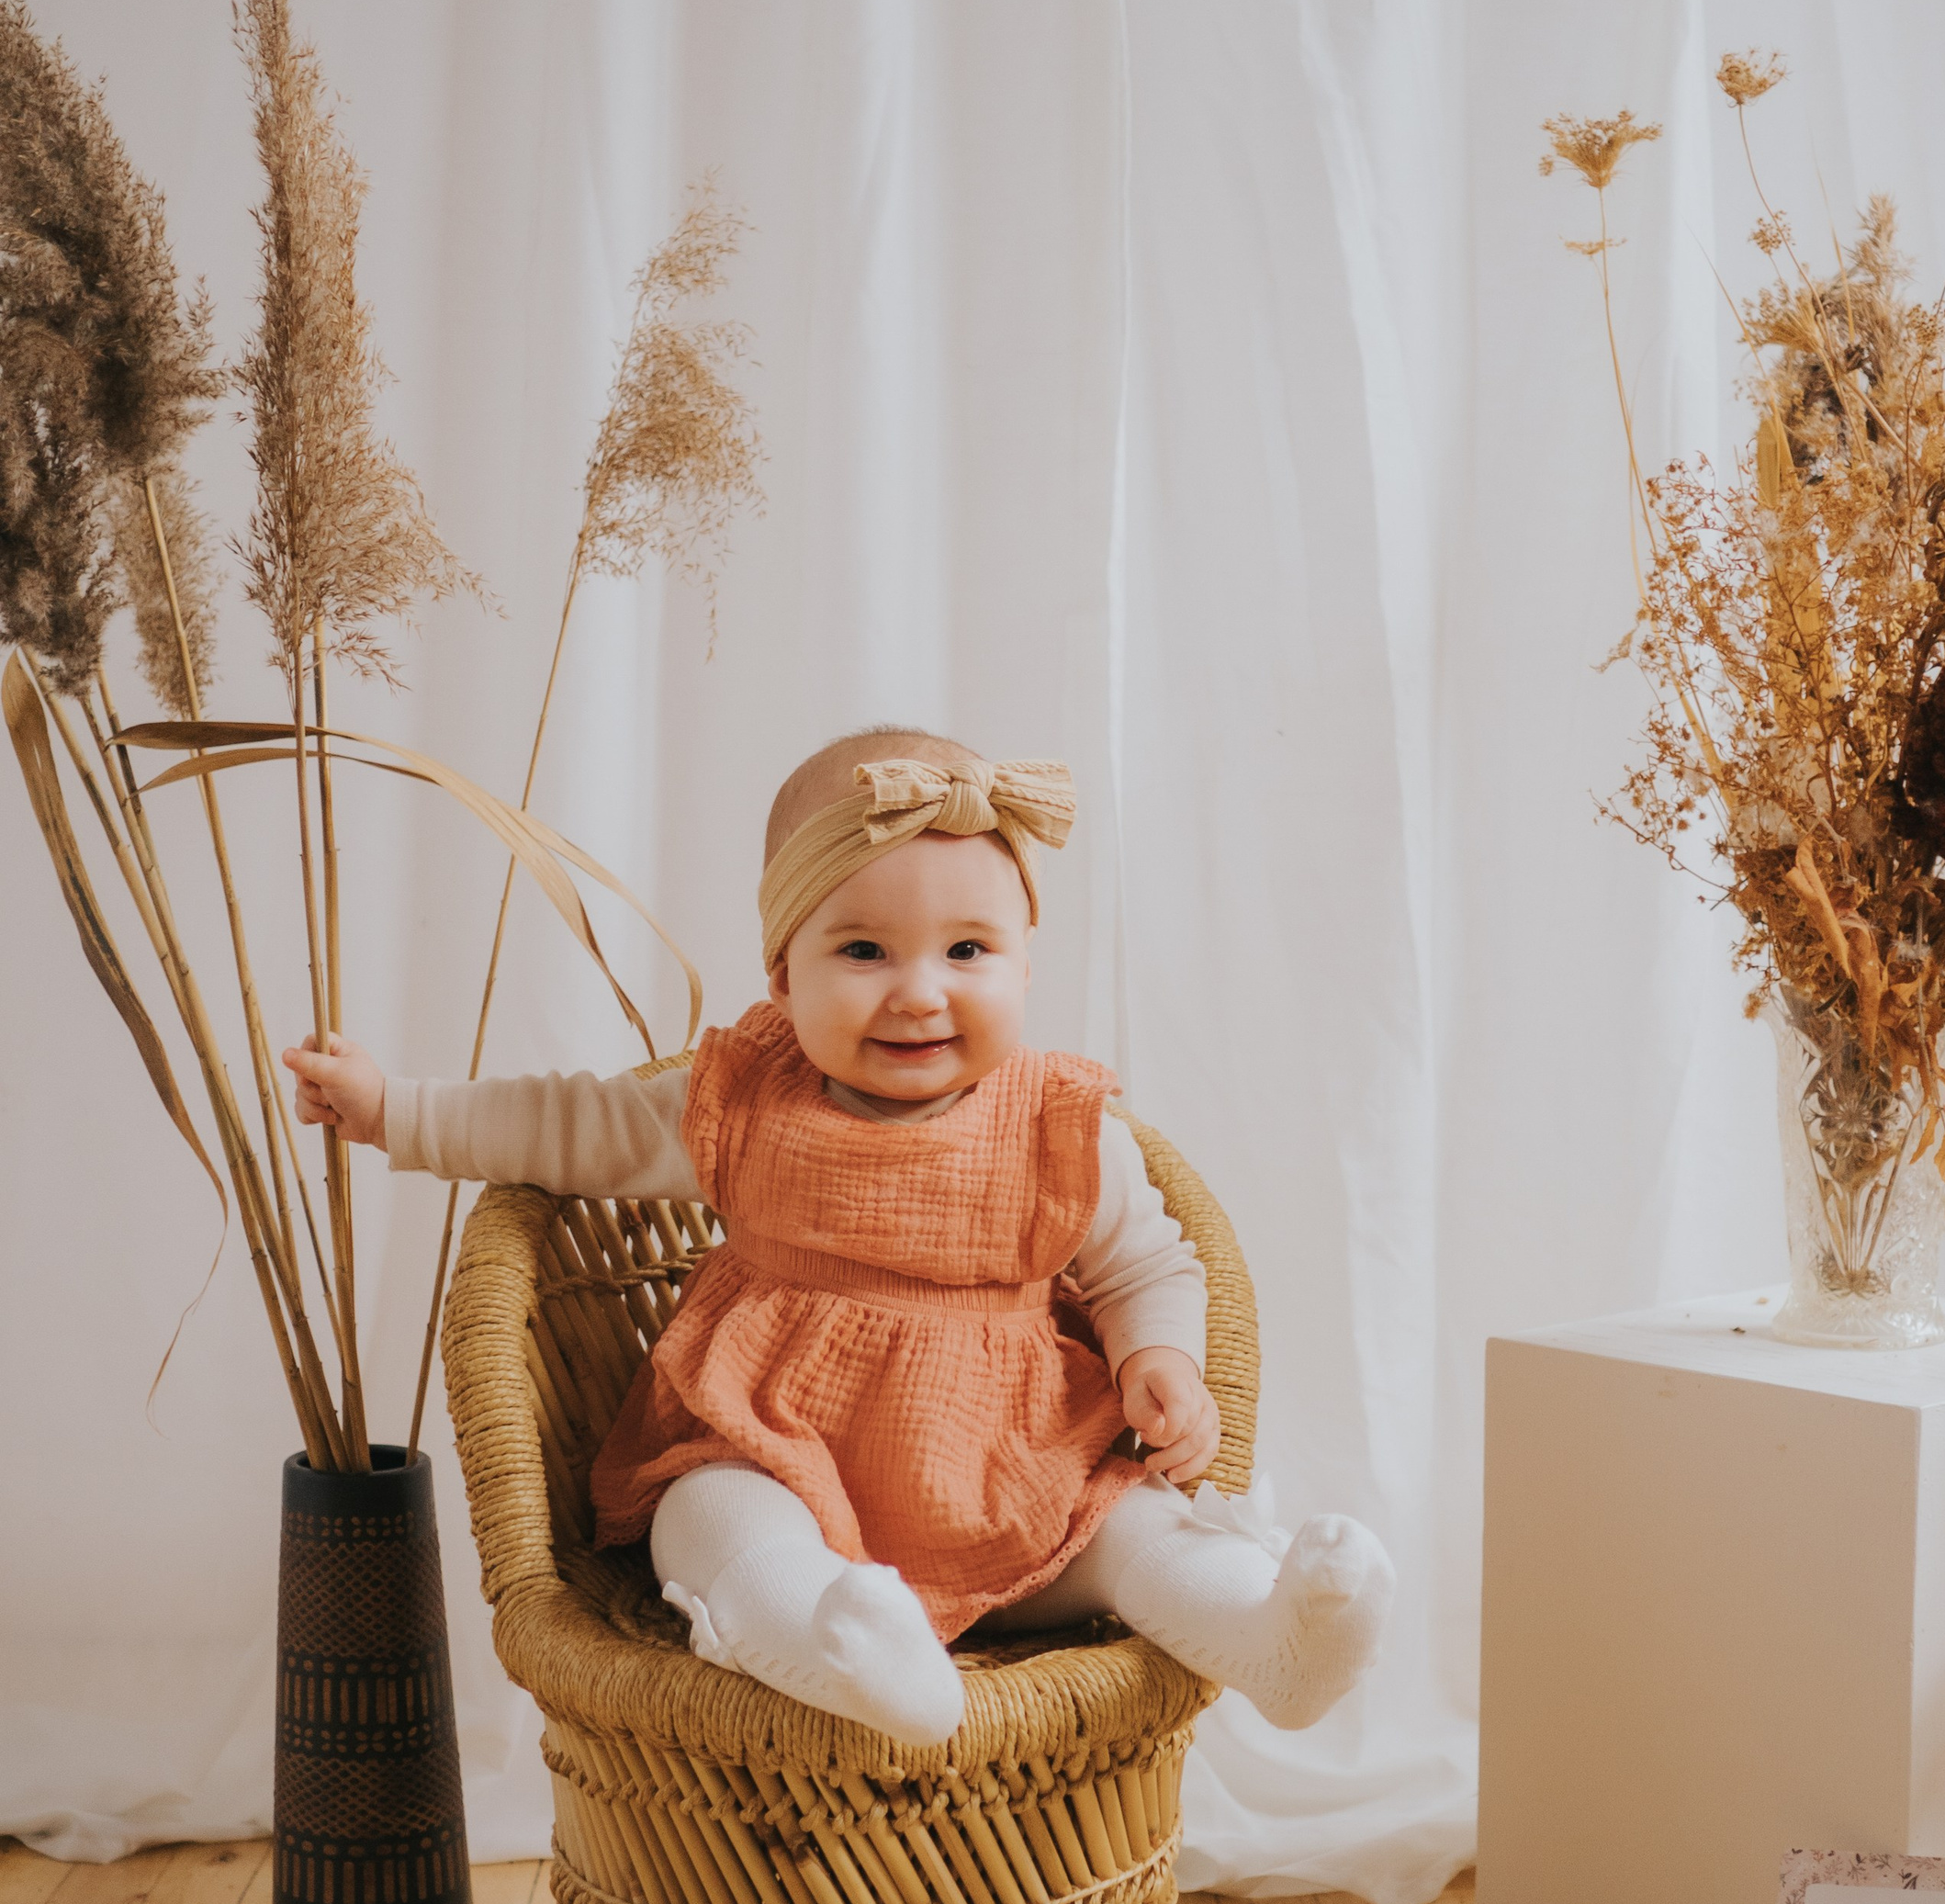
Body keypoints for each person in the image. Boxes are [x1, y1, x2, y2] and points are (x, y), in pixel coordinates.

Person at [287, 729, 1394, 1748]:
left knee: (1136, 1531)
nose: (919, 992)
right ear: (783, 972)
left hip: (1012, 1482)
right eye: (863, 949)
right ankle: (841, 1645)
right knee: (705, 1515)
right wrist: (396, 1109)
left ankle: (1271, 1637)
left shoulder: (1057, 1126)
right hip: (775, 1442)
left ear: (1023, 961)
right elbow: (569, 1123)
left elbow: (1145, 1263)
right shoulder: (746, 1096)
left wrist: (1161, 1361)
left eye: (968, 949)